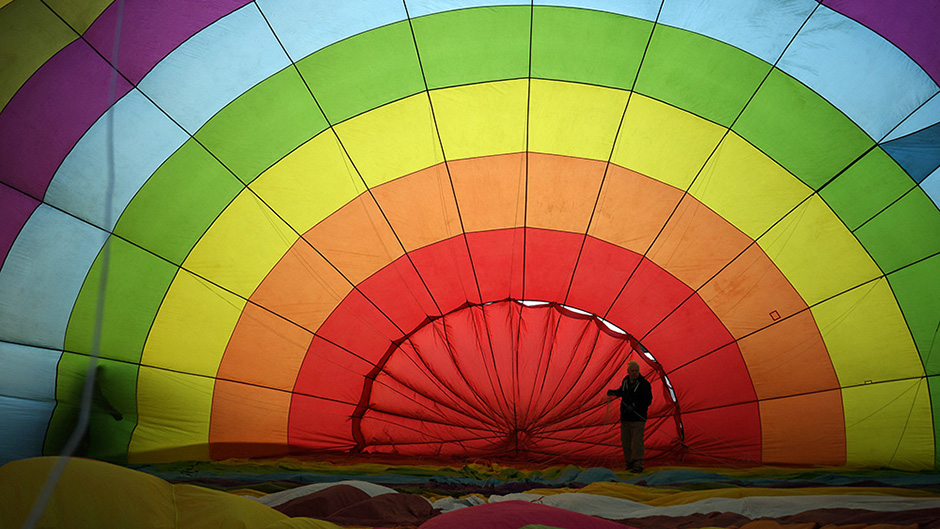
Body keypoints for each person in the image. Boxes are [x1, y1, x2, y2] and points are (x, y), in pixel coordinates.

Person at [607, 360, 652, 472]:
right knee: (626, 442)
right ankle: (629, 463)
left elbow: (648, 400)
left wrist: (635, 405)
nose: (634, 373)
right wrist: (614, 392)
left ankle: (638, 465)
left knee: (636, 442)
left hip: (638, 419)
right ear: (628, 371)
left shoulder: (644, 384)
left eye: (636, 371)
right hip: (626, 418)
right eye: (632, 371)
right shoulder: (626, 381)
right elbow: (622, 391)